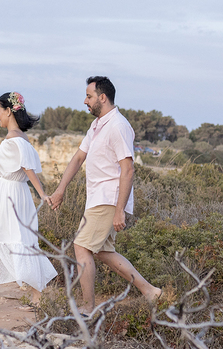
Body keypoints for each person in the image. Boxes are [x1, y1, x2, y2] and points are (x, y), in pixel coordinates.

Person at [47, 76, 162, 313]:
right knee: (103, 251)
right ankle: (150, 291)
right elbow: (79, 157)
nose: (85, 101)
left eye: (88, 96)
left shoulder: (118, 126)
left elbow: (128, 169)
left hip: (108, 198)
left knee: (81, 247)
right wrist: (60, 190)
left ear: (102, 97)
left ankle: (88, 307)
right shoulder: (97, 125)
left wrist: (120, 210)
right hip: (97, 198)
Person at [0, 91, 57, 312]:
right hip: (13, 193)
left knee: (16, 240)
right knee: (5, 239)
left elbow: (28, 167)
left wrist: (42, 193)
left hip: (12, 195)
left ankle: (36, 298)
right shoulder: (21, 138)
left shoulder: (14, 139)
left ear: (9, 111)